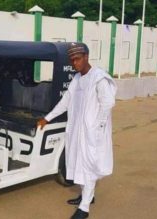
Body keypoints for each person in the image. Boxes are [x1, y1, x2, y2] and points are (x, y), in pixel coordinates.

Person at [37, 42, 117, 219]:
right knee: (80, 163)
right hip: (77, 131)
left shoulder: (99, 77)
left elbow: (108, 103)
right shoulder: (78, 79)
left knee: (88, 166)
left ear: (86, 57)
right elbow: (65, 102)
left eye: (78, 59)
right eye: (72, 60)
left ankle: (85, 208)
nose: (75, 63)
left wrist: (98, 128)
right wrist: (47, 118)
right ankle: (87, 195)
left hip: (92, 133)